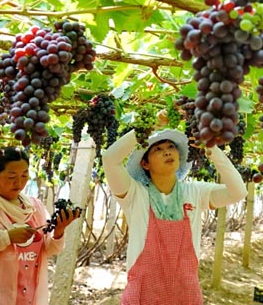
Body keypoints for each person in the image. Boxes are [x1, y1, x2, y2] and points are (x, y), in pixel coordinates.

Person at [102, 128, 247, 305]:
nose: (168, 152)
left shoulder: (195, 192)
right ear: (145, 164)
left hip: (185, 294)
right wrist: (143, 128)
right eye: (158, 149)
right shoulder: (135, 194)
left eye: (171, 146)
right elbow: (110, 160)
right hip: (143, 296)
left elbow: (238, 192)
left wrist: (213, 151)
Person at [0, 147, 81, 305]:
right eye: (12, 176)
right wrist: (6, 237)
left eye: (24, 175)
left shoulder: (35, 207)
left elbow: (48, 249)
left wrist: (59, 232)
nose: (19, 182)